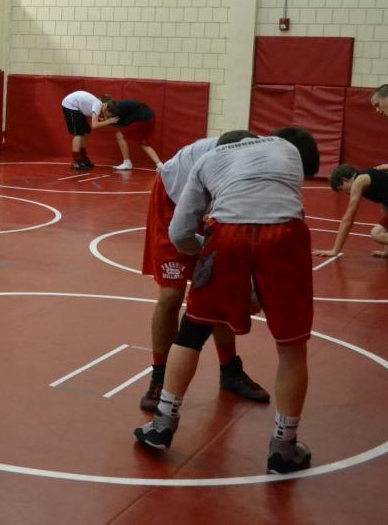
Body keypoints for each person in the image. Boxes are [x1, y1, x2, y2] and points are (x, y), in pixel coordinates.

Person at [134, 127, 320, 475]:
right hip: (281, 234)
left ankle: (162, 424)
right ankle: (284, 446)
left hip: (226, 231)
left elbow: (182, 232)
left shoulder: (213, 158)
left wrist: (208, 256)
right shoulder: (287, 153)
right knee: (292, 346)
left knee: (193, 329)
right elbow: (277, 212)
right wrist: (253, 284)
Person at [139, 130, 269, 413]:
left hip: (215, 200)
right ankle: (159, 377)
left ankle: (230, 371)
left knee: (219, 286)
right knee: (171, 295)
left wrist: (250, 284)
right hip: (173, 200)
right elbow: (181, 232)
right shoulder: (199, 169)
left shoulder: (264, 166)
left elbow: (251, 235)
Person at [101, 98, 164, 171]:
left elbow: (113, 123)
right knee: (144, 143)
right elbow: (113, 122)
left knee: (120, 136)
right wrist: (106, 117)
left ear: (107, 109)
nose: (109, 116)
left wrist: (104, 114)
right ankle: (160, 165)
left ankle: (127, 162)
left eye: (109, 114)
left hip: (144, 118)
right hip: (150, 117)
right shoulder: (118, 109)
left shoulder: (121, 110)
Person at [60, 90, 117, 170]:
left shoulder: (99, 104)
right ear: (106, 107)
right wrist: (108, 121)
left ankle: (82, 155)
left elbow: (93, 115)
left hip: (77, 106)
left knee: (87, 131)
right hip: (70, 105)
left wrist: (104, 119)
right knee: (78, 133)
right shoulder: (98, 105)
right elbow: (94, 125)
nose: (108, 116)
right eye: (109, 114)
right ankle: (77, 159)